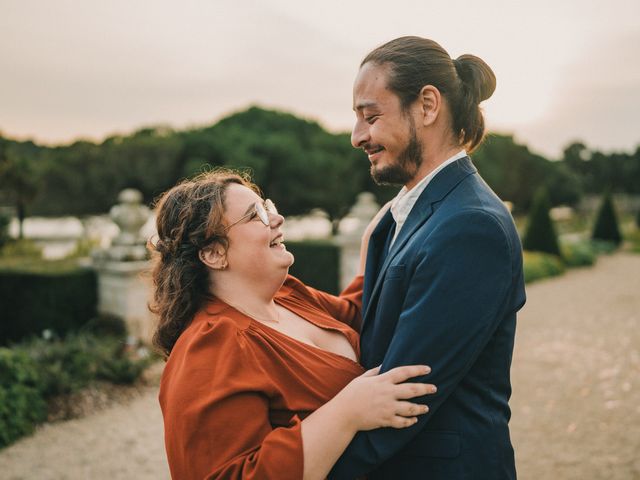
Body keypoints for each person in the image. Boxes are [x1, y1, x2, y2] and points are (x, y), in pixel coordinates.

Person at [150, 170, 437, 480]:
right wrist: (347, 413)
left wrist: (375, 238)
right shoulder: (208, 346)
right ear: (214, 254)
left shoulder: (287, 294)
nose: (277, 219)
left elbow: (356, 315)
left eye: (267, 206)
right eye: (255, 215)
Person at [329, 37, 527, 480]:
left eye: (371, 116)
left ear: (428, 106)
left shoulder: (471, 227)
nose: (357, 136)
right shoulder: (402, 215)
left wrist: (301, 465)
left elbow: (405, 395)